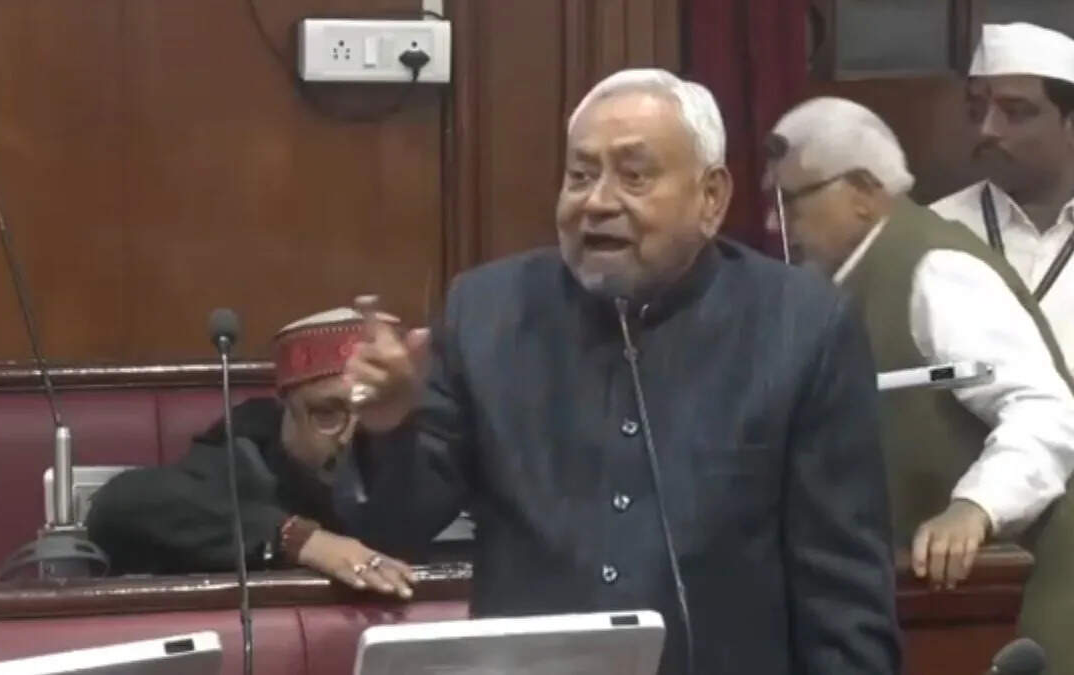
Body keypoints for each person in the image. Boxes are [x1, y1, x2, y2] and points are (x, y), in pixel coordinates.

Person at [329, 68, 901, 675]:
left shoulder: (802, 328)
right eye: (580, 175)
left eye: (634, 176)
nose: (597, 202)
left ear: (711, 198)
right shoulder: (487, 313)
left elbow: (843, 596)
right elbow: (396, 527)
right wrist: (389, 427)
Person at [768, 95, 1074, 675]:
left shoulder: (934, 269)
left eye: (792, 202)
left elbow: (1046, 412)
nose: (776, 225)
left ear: (863, 191)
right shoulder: (842, 289)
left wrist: (975, 507)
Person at [930, 22, 1074, 477]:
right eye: (977, 110)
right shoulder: (931, 235)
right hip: (960, 510)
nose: (987, 129)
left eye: (1015, 112)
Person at [87, 308, 414, 598]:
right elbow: (117, 505)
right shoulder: (241, 459)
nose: (347, 438)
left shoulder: (410, 460)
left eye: (370, 412)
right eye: (327, 414)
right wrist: (296, 538)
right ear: (285, 408)